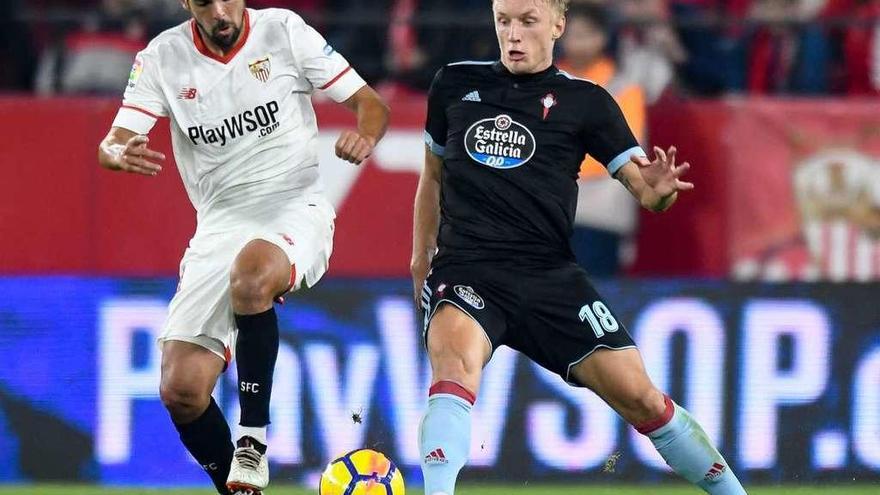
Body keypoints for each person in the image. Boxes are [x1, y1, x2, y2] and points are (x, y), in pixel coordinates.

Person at [411, 1, 746, 494]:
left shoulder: (588, 101)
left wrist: (660, 189)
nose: (513, 34)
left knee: (644, 400)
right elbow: (433, 175)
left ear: (558, 25)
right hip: (469, 268)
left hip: (550, 275)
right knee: (454, 365)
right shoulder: (454, 84)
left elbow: (648, 194)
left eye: (527, 21)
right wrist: (422, 257)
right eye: (504, 21)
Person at [96, 1, 389, 494]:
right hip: (219, 224)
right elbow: (112, 141)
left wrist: (365, 135)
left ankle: (252, 441)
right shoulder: (162, 57)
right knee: (182, 389)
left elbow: (371, 103)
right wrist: (116, 151)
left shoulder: (283, 30)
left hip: (294, 206)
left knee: (252, 274)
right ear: (188, 4)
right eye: (204, 1)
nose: (219, 10)